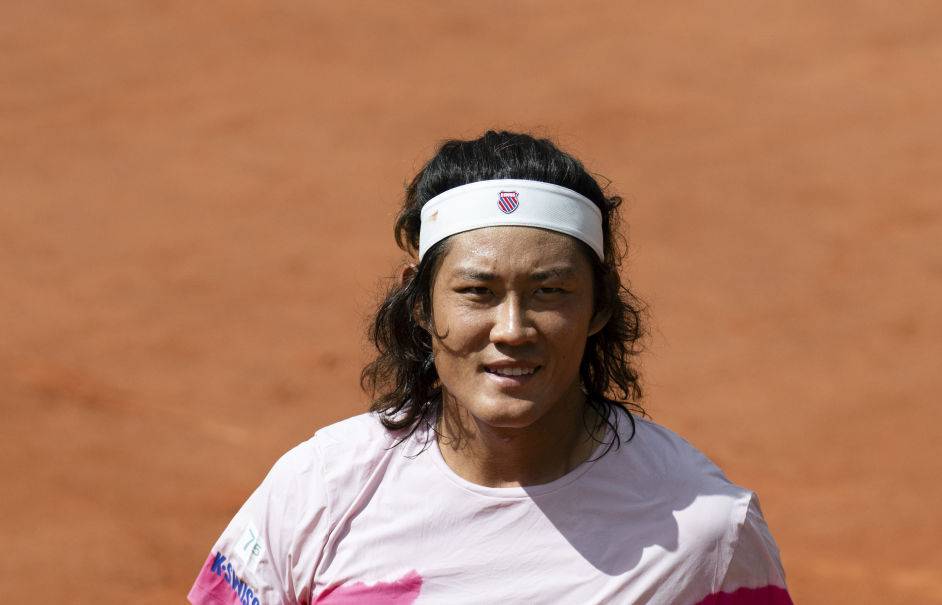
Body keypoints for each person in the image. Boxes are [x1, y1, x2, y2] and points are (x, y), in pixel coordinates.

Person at [188, 131, 793, 605]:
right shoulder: (318, 492)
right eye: (477, 292)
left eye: (550, 291)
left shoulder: (708, 530)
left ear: (600, 305)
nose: (512, 330)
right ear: (420, 303)